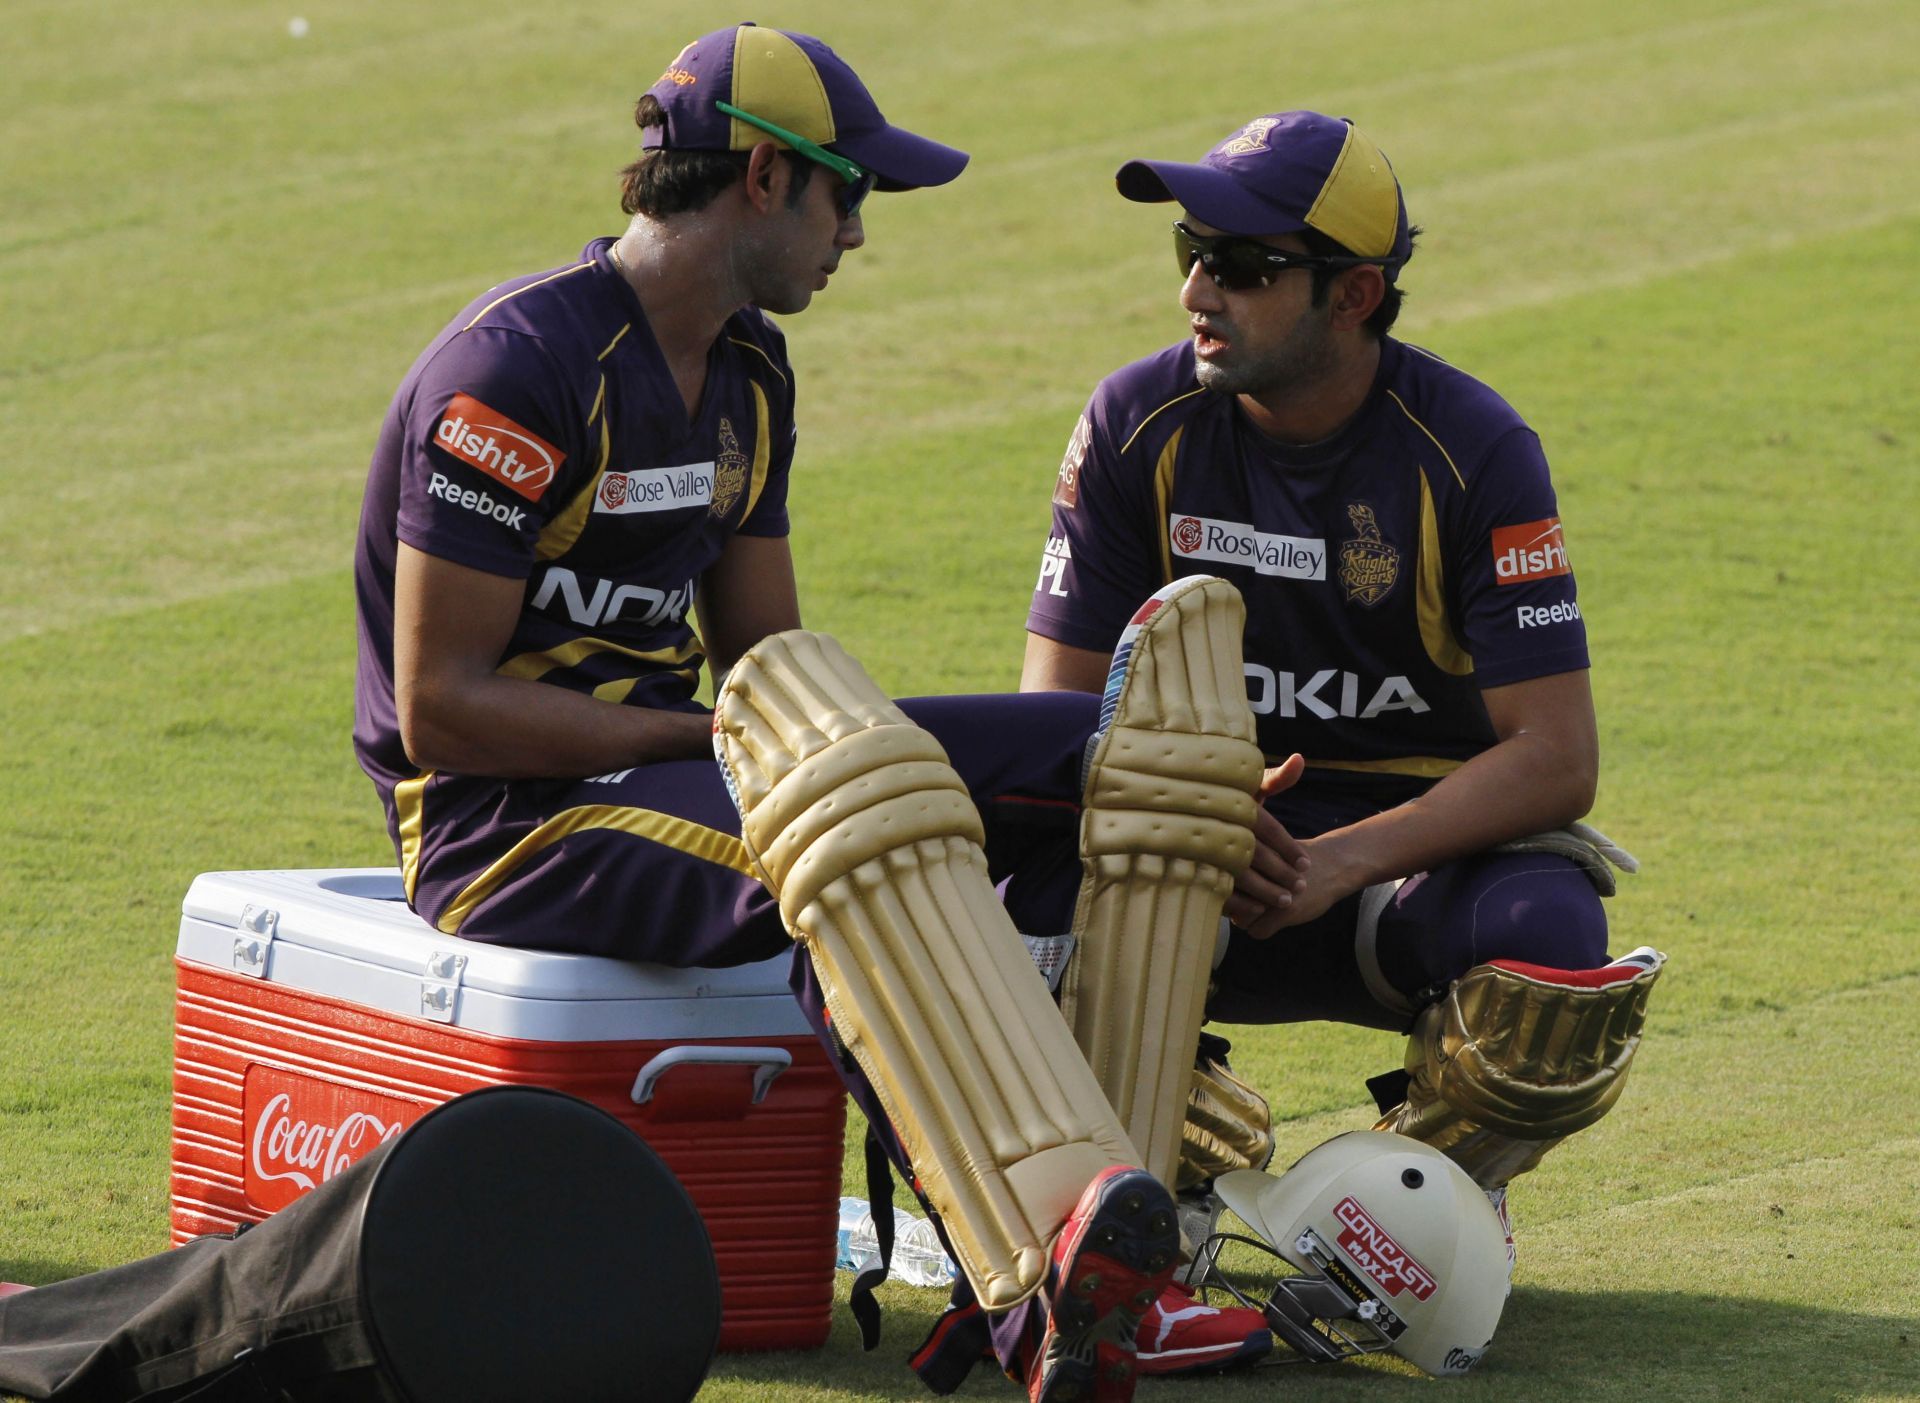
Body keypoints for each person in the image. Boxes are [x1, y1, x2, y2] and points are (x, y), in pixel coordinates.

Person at [351, 26, 1271, 1400]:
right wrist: (713, 737)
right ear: (768, 179)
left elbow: (766, 659)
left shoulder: (748, 373)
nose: (860, 232)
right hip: (512, 826)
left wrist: (1190, 810)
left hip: (691, 767)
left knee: (1114, 762)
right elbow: (444, 711)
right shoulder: (518, 374)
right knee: (851, 849)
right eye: (855, 194)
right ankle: (1035, 1284)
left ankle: (1135, 1232)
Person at [1022, 110, 1664, 1263]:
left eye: (1248, 268)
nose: (1200, 293)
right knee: (1016, 921)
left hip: (1409, 867)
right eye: (1193, 254)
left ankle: (1399, 1208)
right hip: (1203, 847)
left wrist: (1341, 859)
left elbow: (1559, 757)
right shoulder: (1135, 424)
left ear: (1355, 296)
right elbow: (1056, 722)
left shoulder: (1473, 448)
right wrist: (1214, 815)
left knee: (1556, 954)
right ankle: (1174, 1183)